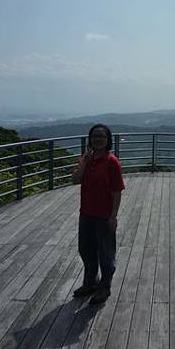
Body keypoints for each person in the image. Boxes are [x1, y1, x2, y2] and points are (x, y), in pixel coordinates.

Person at [71, 124, 125, 304]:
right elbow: (75, 180)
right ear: (90, 139)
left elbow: (117, 192)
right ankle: (90, 282)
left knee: (106, 253)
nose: (98, 139)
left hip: (104, 215)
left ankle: (105, 286)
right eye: (94, 136)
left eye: (102, 136)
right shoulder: (86, 159)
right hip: (86, 213)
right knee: (85, 250)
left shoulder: (112, 162)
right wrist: (85, 162)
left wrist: (113, 216)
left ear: (108, 139)